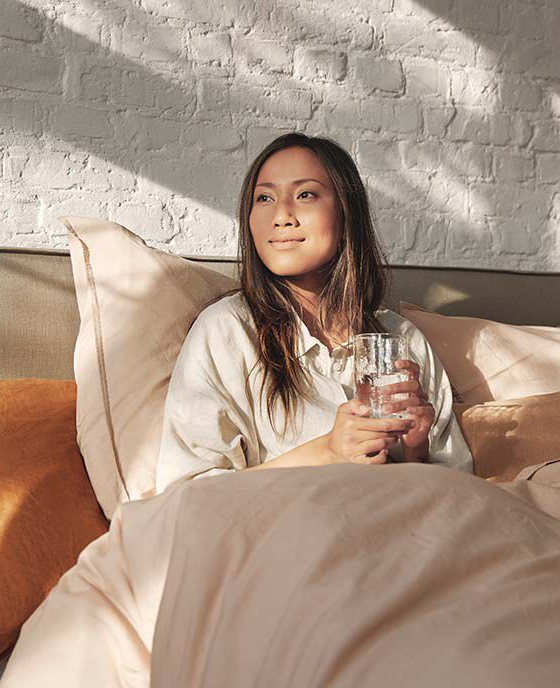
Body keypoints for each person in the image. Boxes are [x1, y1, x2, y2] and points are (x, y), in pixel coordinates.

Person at [156, 133, 472, 491]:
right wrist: (328, 450)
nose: (282, 215)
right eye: (264, 198)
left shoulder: (401, 339)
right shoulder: (226, 331)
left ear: (345, 214)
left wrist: (416, 449)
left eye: (305, 194)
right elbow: (188, 495)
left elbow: (459, 490)